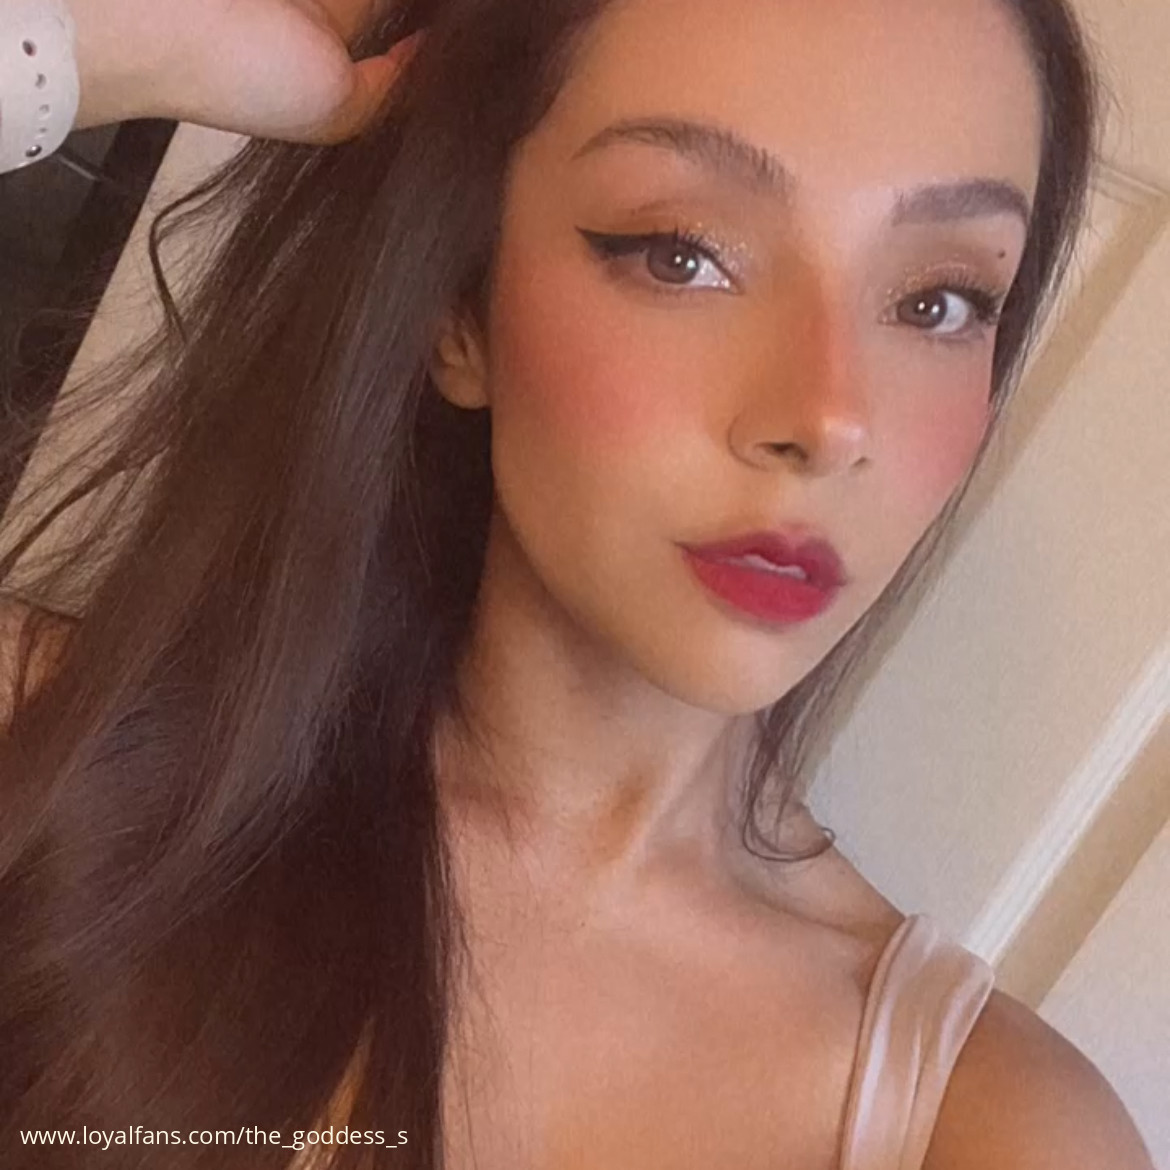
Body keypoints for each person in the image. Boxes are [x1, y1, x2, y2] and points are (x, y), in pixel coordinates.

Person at [0, 1, 1156, 1168]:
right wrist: (104, 47)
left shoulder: (997, 1132)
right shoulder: (46, 752)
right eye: (684, 253)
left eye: (937, 302)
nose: (828, 419)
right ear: (459, 307)